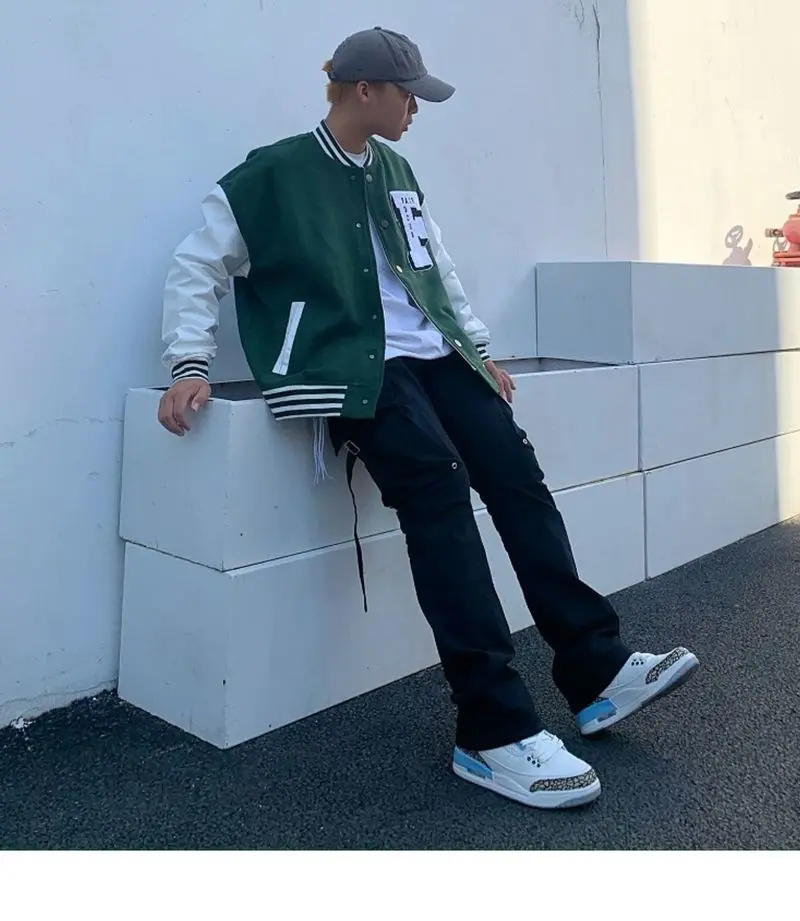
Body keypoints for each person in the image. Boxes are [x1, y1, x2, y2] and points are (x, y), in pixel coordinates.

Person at [157, 27, 699, 810]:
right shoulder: (274, 173)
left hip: (434, 358)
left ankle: (597, 670)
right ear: (364, 90)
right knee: (439, 484)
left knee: (514, 471)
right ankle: (491, 729)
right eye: (408, 95)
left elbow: (435, 269)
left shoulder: (398, 171)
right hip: (349, 367)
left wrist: (478, 351)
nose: (417, 109)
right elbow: (196, 263)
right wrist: (189, 363)